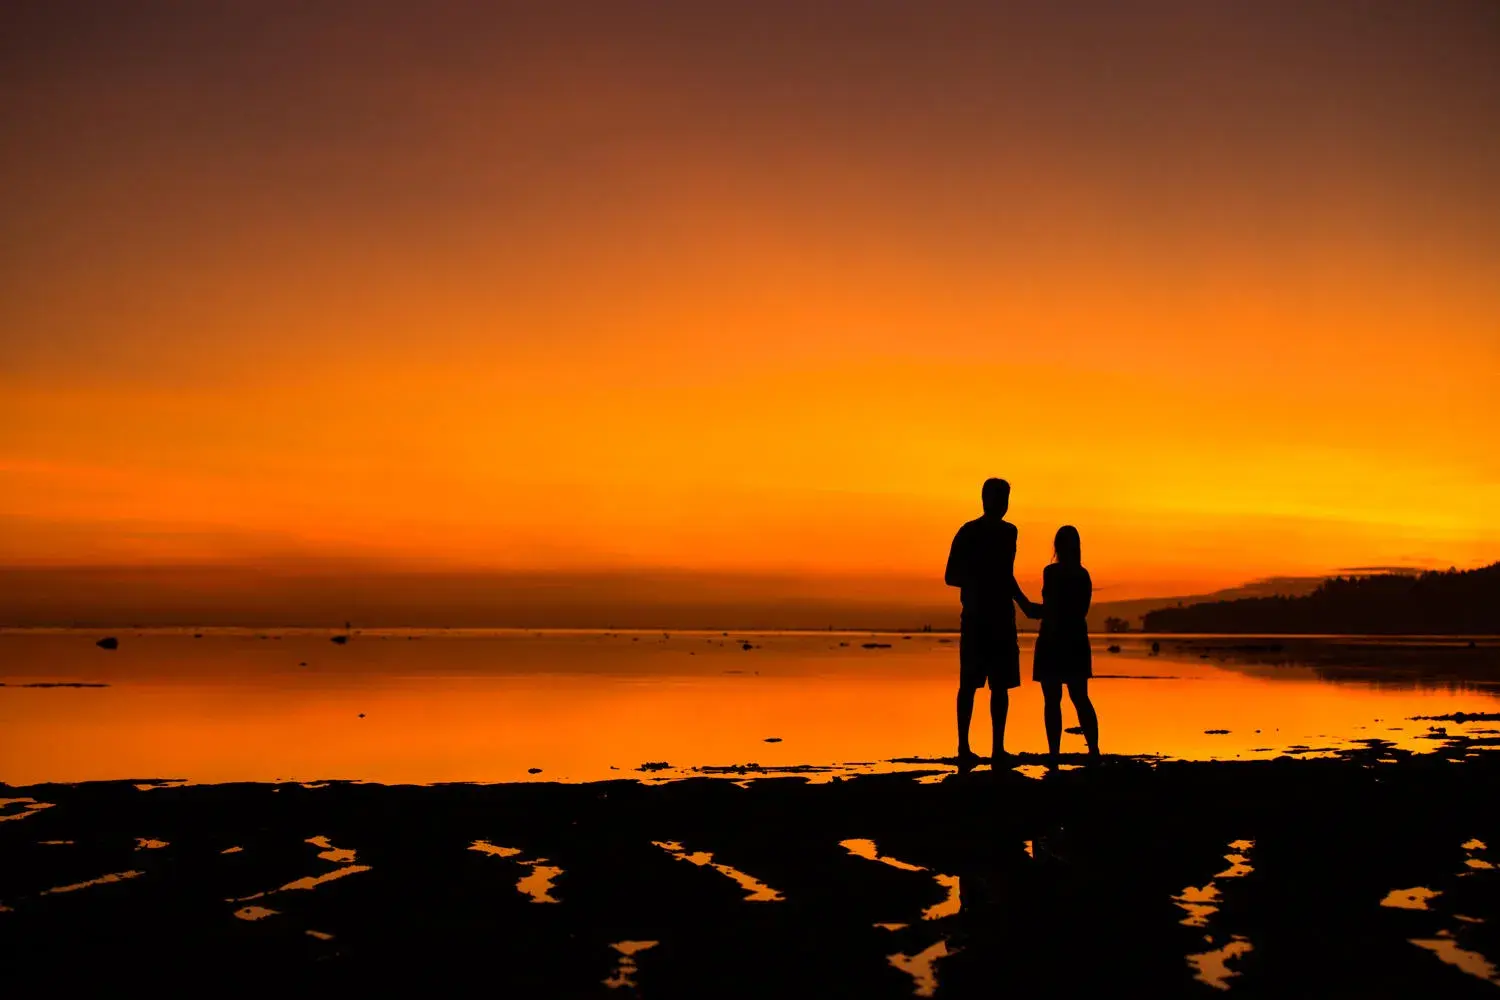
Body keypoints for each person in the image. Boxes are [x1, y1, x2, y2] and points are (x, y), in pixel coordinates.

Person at [944, 478, 1038, 764]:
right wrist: (979, 580)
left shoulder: (1010, 533)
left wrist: (1023, 604)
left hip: (1002, 620)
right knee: (969, 684)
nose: (1002, 504)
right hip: (975, 619)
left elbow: (1006, 575)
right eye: (997, 498)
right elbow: (951, 576)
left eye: (1005, 498)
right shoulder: (968, 532)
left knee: (1000, 685)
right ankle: (963, 748)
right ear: (984, 500)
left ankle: (998, 748)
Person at [1021, 525, 1100, 763]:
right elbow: (1077, 611)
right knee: (1079, 697)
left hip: (1054, 640)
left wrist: (1024, 602)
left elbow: (1050, 609)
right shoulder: (1083, 575)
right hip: (1074, 639)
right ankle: (1093, 751)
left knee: (1054, 700)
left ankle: (1055, 753)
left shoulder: (1052, 573)